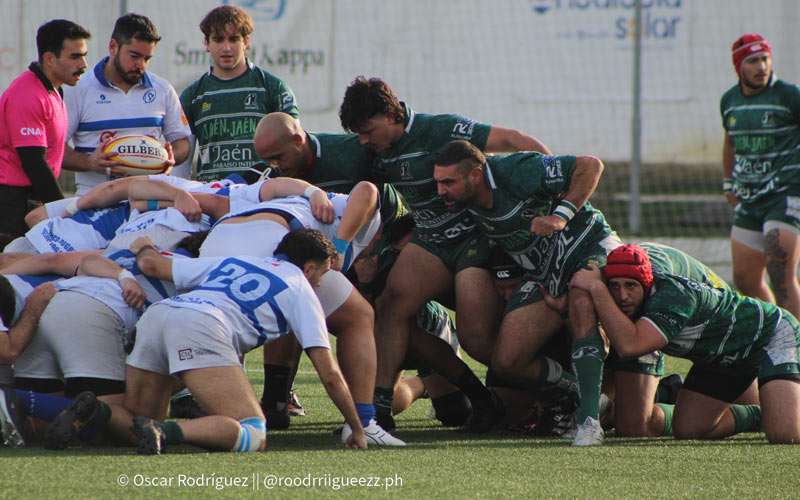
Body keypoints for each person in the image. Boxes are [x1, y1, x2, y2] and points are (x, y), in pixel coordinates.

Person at [339, 76, 551, 431]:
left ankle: (544, 391)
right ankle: (380, 410)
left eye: (367, 131)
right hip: (432, 241)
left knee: (477, 339)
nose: (362, 141)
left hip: (476, 238)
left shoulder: (441, 130)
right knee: (392, 304)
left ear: (391, 114)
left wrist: (550, 200)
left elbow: (515, 140)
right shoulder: (376, 149)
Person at [47, 230, 369, 454]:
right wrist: (357, 427)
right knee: (254, 432)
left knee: (137, 421)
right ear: (310, 267)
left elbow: (157, 265)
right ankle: (169, 432)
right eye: (322, 275)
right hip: (201, 324)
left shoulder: (235, 262)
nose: (320, 283)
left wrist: (144, 245)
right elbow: (329, 372)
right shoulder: (300, 287)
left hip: (158, 316)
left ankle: (97, 412)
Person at [431, 139, 620, 443]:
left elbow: (590, 165)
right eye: (438, 182)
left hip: (589, 248)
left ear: (476, 175)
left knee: (581, 301)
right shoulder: (459, 199)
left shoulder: (516, 170)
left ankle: (588, 422)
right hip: (546, 272)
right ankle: (582, 396)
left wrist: (560, 216)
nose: (441, 191)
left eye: (448, 182)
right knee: (507, 360)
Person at [571, 244, 800, 444]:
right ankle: (760, 415)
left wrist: (597, 288)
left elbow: (630, 346)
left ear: (647, 283)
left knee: (785, 434)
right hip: (719, 358)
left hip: (770, 336)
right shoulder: (629, 299)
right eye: (615, 286)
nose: (622, 296)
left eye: (631, 285)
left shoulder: (672, 296)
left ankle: (780, 416)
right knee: (689, 429)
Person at [61, 13, 189, 195]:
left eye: (147, 58)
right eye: (135, 56)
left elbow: (182, 143)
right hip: (94, 198)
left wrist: (168, 157)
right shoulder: (78, 90)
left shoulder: (163, 89)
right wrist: (90, 162)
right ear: (113, 47)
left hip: (148, 199)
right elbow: (56, 149)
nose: (141, 65)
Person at [722, 33, 800, 318]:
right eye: (753, 61)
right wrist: (728, 183)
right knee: (745, 280)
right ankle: (777, 332)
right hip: (749, 196)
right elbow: (730, 141)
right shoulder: (729, 101)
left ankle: (796, 349)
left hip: (785, 193)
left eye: (765, 59)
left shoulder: (789, 95)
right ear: (738, 66)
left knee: (780, 274)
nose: (762, 66)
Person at [180, 5, 299, 182]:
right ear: (206, 43)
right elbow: (182, 162)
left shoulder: (273, 88)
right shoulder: (192, 96)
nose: (226, 48)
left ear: (246, 41)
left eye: (234, 39)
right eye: (218, 39)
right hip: (212, 194)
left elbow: (295, 146)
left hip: (261, 193)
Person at [0, 19, 91, 241]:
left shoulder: (54, 90)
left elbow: (51, 152)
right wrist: (63, 212)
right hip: (12, 203)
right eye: (75, 56)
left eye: (84, 55)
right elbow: (34, 162)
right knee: (13, 270)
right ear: (50, 59)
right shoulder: (28, 95)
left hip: (30, 198)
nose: (84, 64)